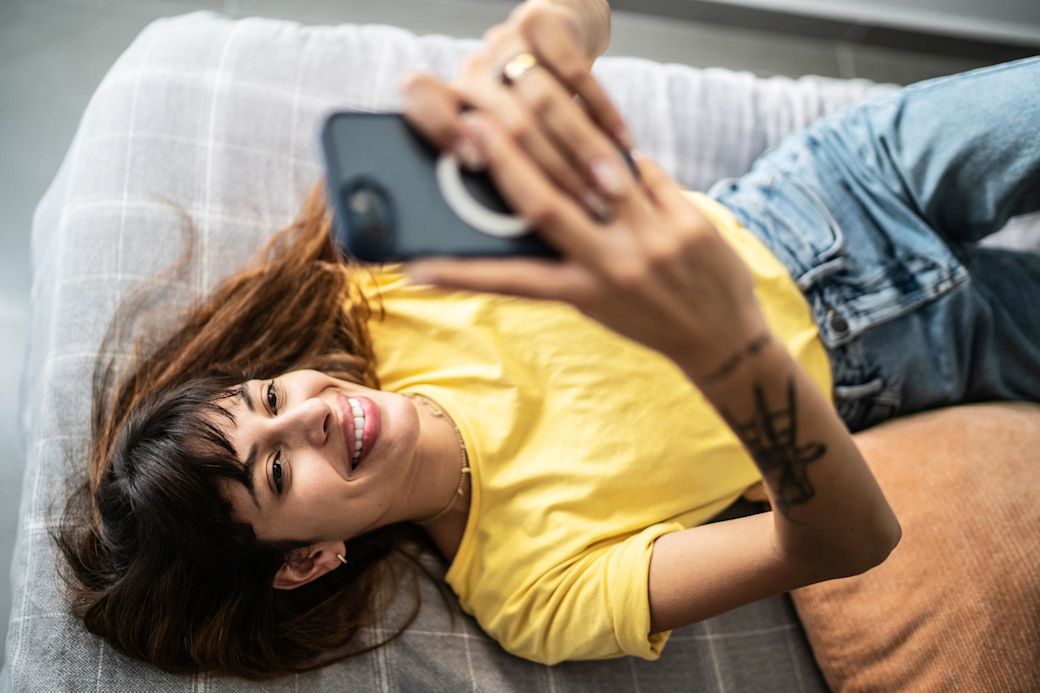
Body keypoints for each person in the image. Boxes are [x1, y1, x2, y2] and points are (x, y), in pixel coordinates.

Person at [54, 0, 1040, 680]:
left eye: (269, 399)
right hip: (920, 365)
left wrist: (543, 37)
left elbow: (585, 16)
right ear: (306, 561)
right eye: (274, 475)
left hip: (827, 188)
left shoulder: (388, 290)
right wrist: (725, 351)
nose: (310, 415)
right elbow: (846, 538)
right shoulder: (531, 595)